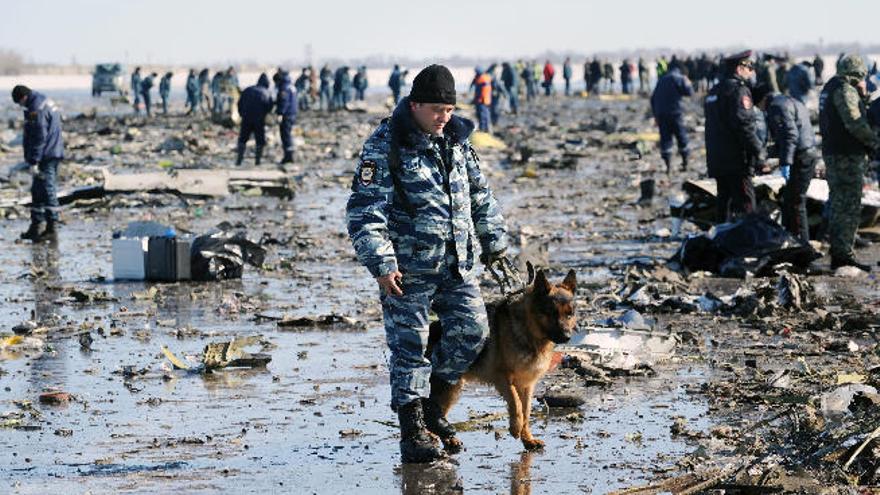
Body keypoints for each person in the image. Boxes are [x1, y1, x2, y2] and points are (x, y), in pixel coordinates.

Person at [345, 64, 508, 464]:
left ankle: (433, 404)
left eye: (449, 110)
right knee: (409, 347)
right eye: (437, 109)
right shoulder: (386, 145)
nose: (444, 117)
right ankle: (413, 429)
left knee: (472, 332)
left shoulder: (457, 142)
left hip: (457, 265)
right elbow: (366, 211)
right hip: (408, 271)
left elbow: (480, 197)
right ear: (414, 105)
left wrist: (495, 245)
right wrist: (382, 262)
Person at [819, 54, 880, 271]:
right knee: (848, 206)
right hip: (847, 156)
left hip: (835, 154)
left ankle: (840, 252)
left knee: (838, 203)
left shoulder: (829, 88)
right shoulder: (845, 90)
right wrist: (875, 143)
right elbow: (855, 124)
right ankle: (844, 254)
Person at [704, 50, 765, 222]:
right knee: (746, 203)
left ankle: (722, 241)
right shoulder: (738, 91)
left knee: (724, 201)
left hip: (716, 158)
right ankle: (749, 243)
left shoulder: (713, 92)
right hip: (736, 159)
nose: (751, 71)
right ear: (739, 69)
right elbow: (744, 126)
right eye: (749, 67)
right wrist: (758, 152)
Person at [754, 83, 819, 242]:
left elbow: (790, 136)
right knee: (790, 199)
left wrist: (785, 162)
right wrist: (765, 154)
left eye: (759, 106)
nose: (761, 110)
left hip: (801, 157)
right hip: (808, 153)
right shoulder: (790, 100)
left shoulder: (776, 107)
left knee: (796, 202)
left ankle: (802, 243)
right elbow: (787, 138)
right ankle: (790, 238)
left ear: (763, 99)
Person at [11, 85, 64, 242]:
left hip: (46, 155)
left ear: (23, 97)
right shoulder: (42, 100)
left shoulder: (36, 108)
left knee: (47, 190)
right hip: (51, 151)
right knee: (38, 190)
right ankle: (36, 226)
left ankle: (52, 228)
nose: (22, 106)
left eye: (20, 103)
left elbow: (38, 136)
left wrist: (34, 160)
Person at [650, 61, 694, 173]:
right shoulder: (679, 78)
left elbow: (653, 98)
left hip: (662, 114)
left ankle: (668, 166)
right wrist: (688, 82)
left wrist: (656, 115)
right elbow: (689, 92)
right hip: (675, 113)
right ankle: (685, 163)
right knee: (681, 137)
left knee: (665, 140)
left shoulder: (661, 80)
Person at [236, 73, 274, 166]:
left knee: (243, 139)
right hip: (259, 120)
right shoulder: (266, 93)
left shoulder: (248, 90)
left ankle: (239, 160)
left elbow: (239, 103)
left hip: (246, 119)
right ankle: (257, 161)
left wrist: (242, 114)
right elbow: (269, 106)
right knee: (259, 140)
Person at [276, 71, 297, 164]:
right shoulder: (291, 86)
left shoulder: (284, 88)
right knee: (288, 134)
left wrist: (280, 113)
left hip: (287, 114)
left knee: (285, 135)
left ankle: (288, 157)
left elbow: (284, 101)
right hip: (292, 113)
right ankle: (289, 155)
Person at [472, 66, 492, 132]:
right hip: (484, 99)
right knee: (484, 114)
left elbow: (482, 91)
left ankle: (483, 128)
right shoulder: (485, 77)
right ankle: (484, 128)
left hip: (482, 100)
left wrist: (477, 99)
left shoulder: (482, 79)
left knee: (482, 114)